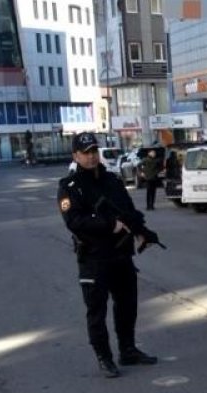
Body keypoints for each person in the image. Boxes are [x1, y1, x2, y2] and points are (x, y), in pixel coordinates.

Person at [58, 132, 164, 378]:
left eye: (94, 151)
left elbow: (128, 211)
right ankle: (104, 358)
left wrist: (143, 232)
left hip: (121, 255)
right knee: (97, 312)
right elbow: (74, 221)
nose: (92, 156)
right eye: (86, 152)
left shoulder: (112, 181)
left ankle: (128, 350)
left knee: (127, 306)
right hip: (94, 259)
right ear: (76, 155)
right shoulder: (70, 186)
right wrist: (109, 225)